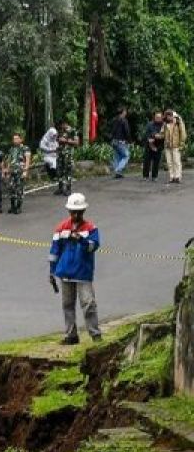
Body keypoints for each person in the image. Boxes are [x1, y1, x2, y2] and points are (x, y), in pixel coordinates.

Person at [48, 192, 101, 344]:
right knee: (67, 305)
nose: (75, 214)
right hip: (65, 272)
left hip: (83, 272)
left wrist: (81, 240)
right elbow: (54, 251)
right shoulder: (61, 229)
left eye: (78, 212)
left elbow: (93, 246)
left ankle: (95, 334)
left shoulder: (91, 228)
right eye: (73, 211)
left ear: (83, 211)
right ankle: (71, 335)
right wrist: (52, 271)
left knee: (88, 303)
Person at [5, 132, 32, 214]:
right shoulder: (12, 149)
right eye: (14, 139)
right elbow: (9, 160)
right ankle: (12, 206)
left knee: (19, 190)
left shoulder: (25, 148)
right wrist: (7, 170)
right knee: (11, 189)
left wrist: (25, 171)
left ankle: (18, 207)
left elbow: (27, 160)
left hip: (20, 171)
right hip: (12, 171)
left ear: (21, 139)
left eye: (17, 138)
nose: (15, 140)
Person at [163, 108, 187, 184]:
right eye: (167, 116)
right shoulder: (165, 124)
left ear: (172, 115)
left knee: (176, 162)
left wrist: (182, 144)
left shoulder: (178, 122)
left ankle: (178, 177)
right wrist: (156, 136)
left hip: (176, 145)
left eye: (169, 115)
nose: (168, 117)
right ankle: (172, 177)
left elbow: (183, 133)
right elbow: (162, 133)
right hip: (167, 146)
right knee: (169, 162)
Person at [55, 120, 79, 196]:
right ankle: (60, 188)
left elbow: (76, 142)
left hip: (68, 154)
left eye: (62, 125)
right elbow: (57, 140)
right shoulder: (60, 131)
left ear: (66, 123)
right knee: (59, 171)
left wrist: (66, 140)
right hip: (60, 154)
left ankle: (68, 189)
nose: (62, 126)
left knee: (68, 171)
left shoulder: (73, 131)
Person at [142, 111, 165, 182]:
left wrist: (159, 136)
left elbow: (165, 135)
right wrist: (151, 137)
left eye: (159, 117)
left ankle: (154, 176)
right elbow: (146, 134)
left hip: (159, 146)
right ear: (154, 117)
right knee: (147, 162)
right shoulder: (150, 124)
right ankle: (145, 176)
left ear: (162, 118)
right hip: (149, 145)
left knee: (156, 162)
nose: (158, 118)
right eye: (156, 117)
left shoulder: (164, 125)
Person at [109, 107, 131, 179]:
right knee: (126, 156)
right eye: (125, 111)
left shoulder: (114, 120)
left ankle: (118, 174)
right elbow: (127, 131)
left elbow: (111, 131)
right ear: (123, 112)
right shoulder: (124, 120)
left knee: (117, 157)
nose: (126, 113)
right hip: (120, 141)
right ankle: (118, 170)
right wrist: (129, 140)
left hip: (113, 141)